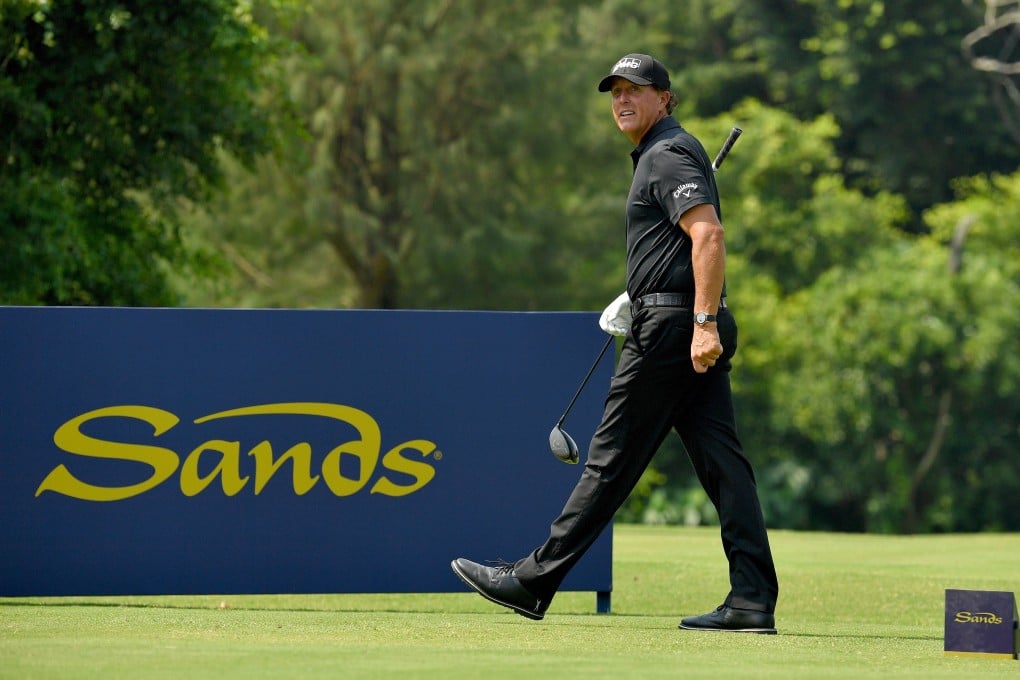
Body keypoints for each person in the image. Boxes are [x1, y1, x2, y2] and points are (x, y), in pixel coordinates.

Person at [451, 53, 779, 633]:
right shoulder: (661, 155)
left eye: (636, 90)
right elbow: (681, 244)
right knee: (725, 466)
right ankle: (752, 597)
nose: (622, 100)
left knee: (609, 459)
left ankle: (534, 580)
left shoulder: (668, 153)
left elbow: (707, 236)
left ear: (665, 99)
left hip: (676, 332)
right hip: (676, 321)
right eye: (615, 92)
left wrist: (698, 319)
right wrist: (646, 290)